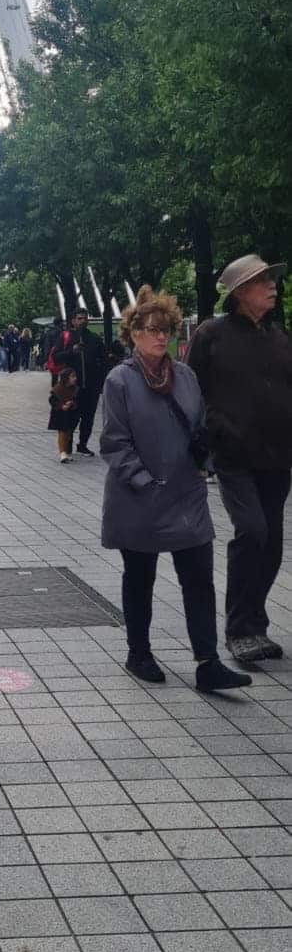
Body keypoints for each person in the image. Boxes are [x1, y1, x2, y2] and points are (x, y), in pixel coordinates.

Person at [101, 286, 251, 694]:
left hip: (186, 494)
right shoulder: (120, 380)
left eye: (164, 329)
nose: (159, 336)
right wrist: (145, 482)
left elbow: (200, 427)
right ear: (133, 333)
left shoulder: (185, 376)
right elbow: (114, 443)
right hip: (139, 498)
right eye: (151, 329)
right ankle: (139, 652)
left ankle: (208, 662)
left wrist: (206, 458)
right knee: (140, 577)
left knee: (199, 578)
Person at [186, 254, 292, 664]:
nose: (273, 286)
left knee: (272, 544)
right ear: (241, 291)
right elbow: (189, 389)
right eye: (264, 281)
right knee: (251, 530)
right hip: (233, 455)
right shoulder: (211, 334)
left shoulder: (279, 337)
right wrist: (202, 443)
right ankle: (238, 629)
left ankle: (255, 622)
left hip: (278, 456)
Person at [53, 309, 106, 456]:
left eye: (85, 318)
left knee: (88, 418)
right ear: (73, 321)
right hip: (71, 388)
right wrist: (72, 351)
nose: (83, 321)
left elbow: (103, 360)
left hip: (91, 386)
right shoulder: (66, 337)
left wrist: (100, 381)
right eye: (79, 318)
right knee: (71, 416)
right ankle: (67, 445)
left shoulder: (94, 338)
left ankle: (83, 445)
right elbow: (56, 357)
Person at [49, 365, 80, 463]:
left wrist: (72, 403)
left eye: (75, 376)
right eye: (72, 376)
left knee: (68, 433)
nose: (75, 378)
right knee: (62, 432)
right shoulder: (58, 389)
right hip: (60, 414)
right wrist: (61, 406)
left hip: (70, 414)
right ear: (66, 378)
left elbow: (77, 400)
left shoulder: (75, 389)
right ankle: (62, 453)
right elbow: (52, 401)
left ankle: (65, 451)